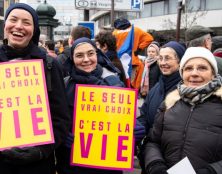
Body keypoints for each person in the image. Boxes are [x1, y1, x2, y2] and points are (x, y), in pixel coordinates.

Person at [0, 3, 70, 174]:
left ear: (34, 30)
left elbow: (61, 119)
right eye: (13, 20)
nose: (18, 26)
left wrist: (41, 150)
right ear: (5, 25)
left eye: (26, 22)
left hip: (37, 166)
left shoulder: (49, 65)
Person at [142, 47, 222, 174]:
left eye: (202, 68)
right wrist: (155, 165)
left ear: (213, 74)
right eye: (189, 68)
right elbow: (153, 142)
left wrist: (211, 171)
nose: (194, 73)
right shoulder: (169, 104)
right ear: (182, 73)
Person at [55, 37, 124, 174]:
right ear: (72, 59)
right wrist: (63, 135)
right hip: (71, 165)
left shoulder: (114, 83)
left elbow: (122, 120)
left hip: (106, 167)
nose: (86, 59)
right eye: (79, 55)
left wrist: (132, 130)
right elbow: (56, 119)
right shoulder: (64, 85)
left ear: (97, 55)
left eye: (90, 53)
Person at [113, 18, 154, 89]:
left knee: (119, 81)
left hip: (118, 61)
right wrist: (139, 49)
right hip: (132, 60)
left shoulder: (115, 33)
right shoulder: (136, 30)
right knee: (130, 82)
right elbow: (149, 38)